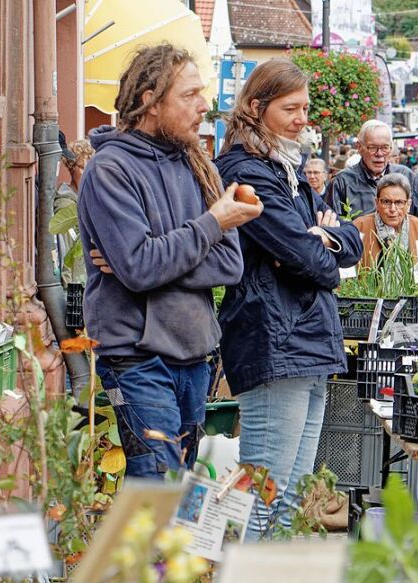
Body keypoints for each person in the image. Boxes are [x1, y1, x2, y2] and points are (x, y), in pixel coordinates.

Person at [78, 44, 261, 478]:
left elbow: (229, 266)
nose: (204, 105)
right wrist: (210, 225)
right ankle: (137, 551)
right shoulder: (110, 170)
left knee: (176, 488)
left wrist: (154, 257)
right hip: (136, 358)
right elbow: (141, 269)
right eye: (190, 94)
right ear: (150, 101)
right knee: (156, 485)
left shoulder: (200, 165)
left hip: (195, 353)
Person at [215, 58, 363, 536]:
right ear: (257, 108)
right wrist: (315, 245)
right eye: (290, 108)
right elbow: (308, 258)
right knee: (264, 493)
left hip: (306, 339)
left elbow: (350, 238)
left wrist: (322, 239)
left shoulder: (286, 168)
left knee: (292, 497)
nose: (303, 119)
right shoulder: (247, 172)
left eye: (305, 108)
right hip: (275, 338)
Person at [326, 119, 418, 221]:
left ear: (391, 148)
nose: (379, 154)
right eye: (372, 147)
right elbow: (333, 228)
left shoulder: (407, 176)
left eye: (385, 148)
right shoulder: (342, 182)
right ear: (359, 147)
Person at [352, 173, 418, 267]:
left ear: (409, 204)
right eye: (386, 202)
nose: (392, 209)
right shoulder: (359, 226)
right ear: (376, 203)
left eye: (399, 202)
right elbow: (347, 269)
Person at [55, 133, 94, 285]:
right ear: (71, 167)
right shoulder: (66, 205)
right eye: (82, 167)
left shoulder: (89, 200)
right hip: (74, 289)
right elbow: (65, 255)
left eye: (90, 168)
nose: (87, 173)